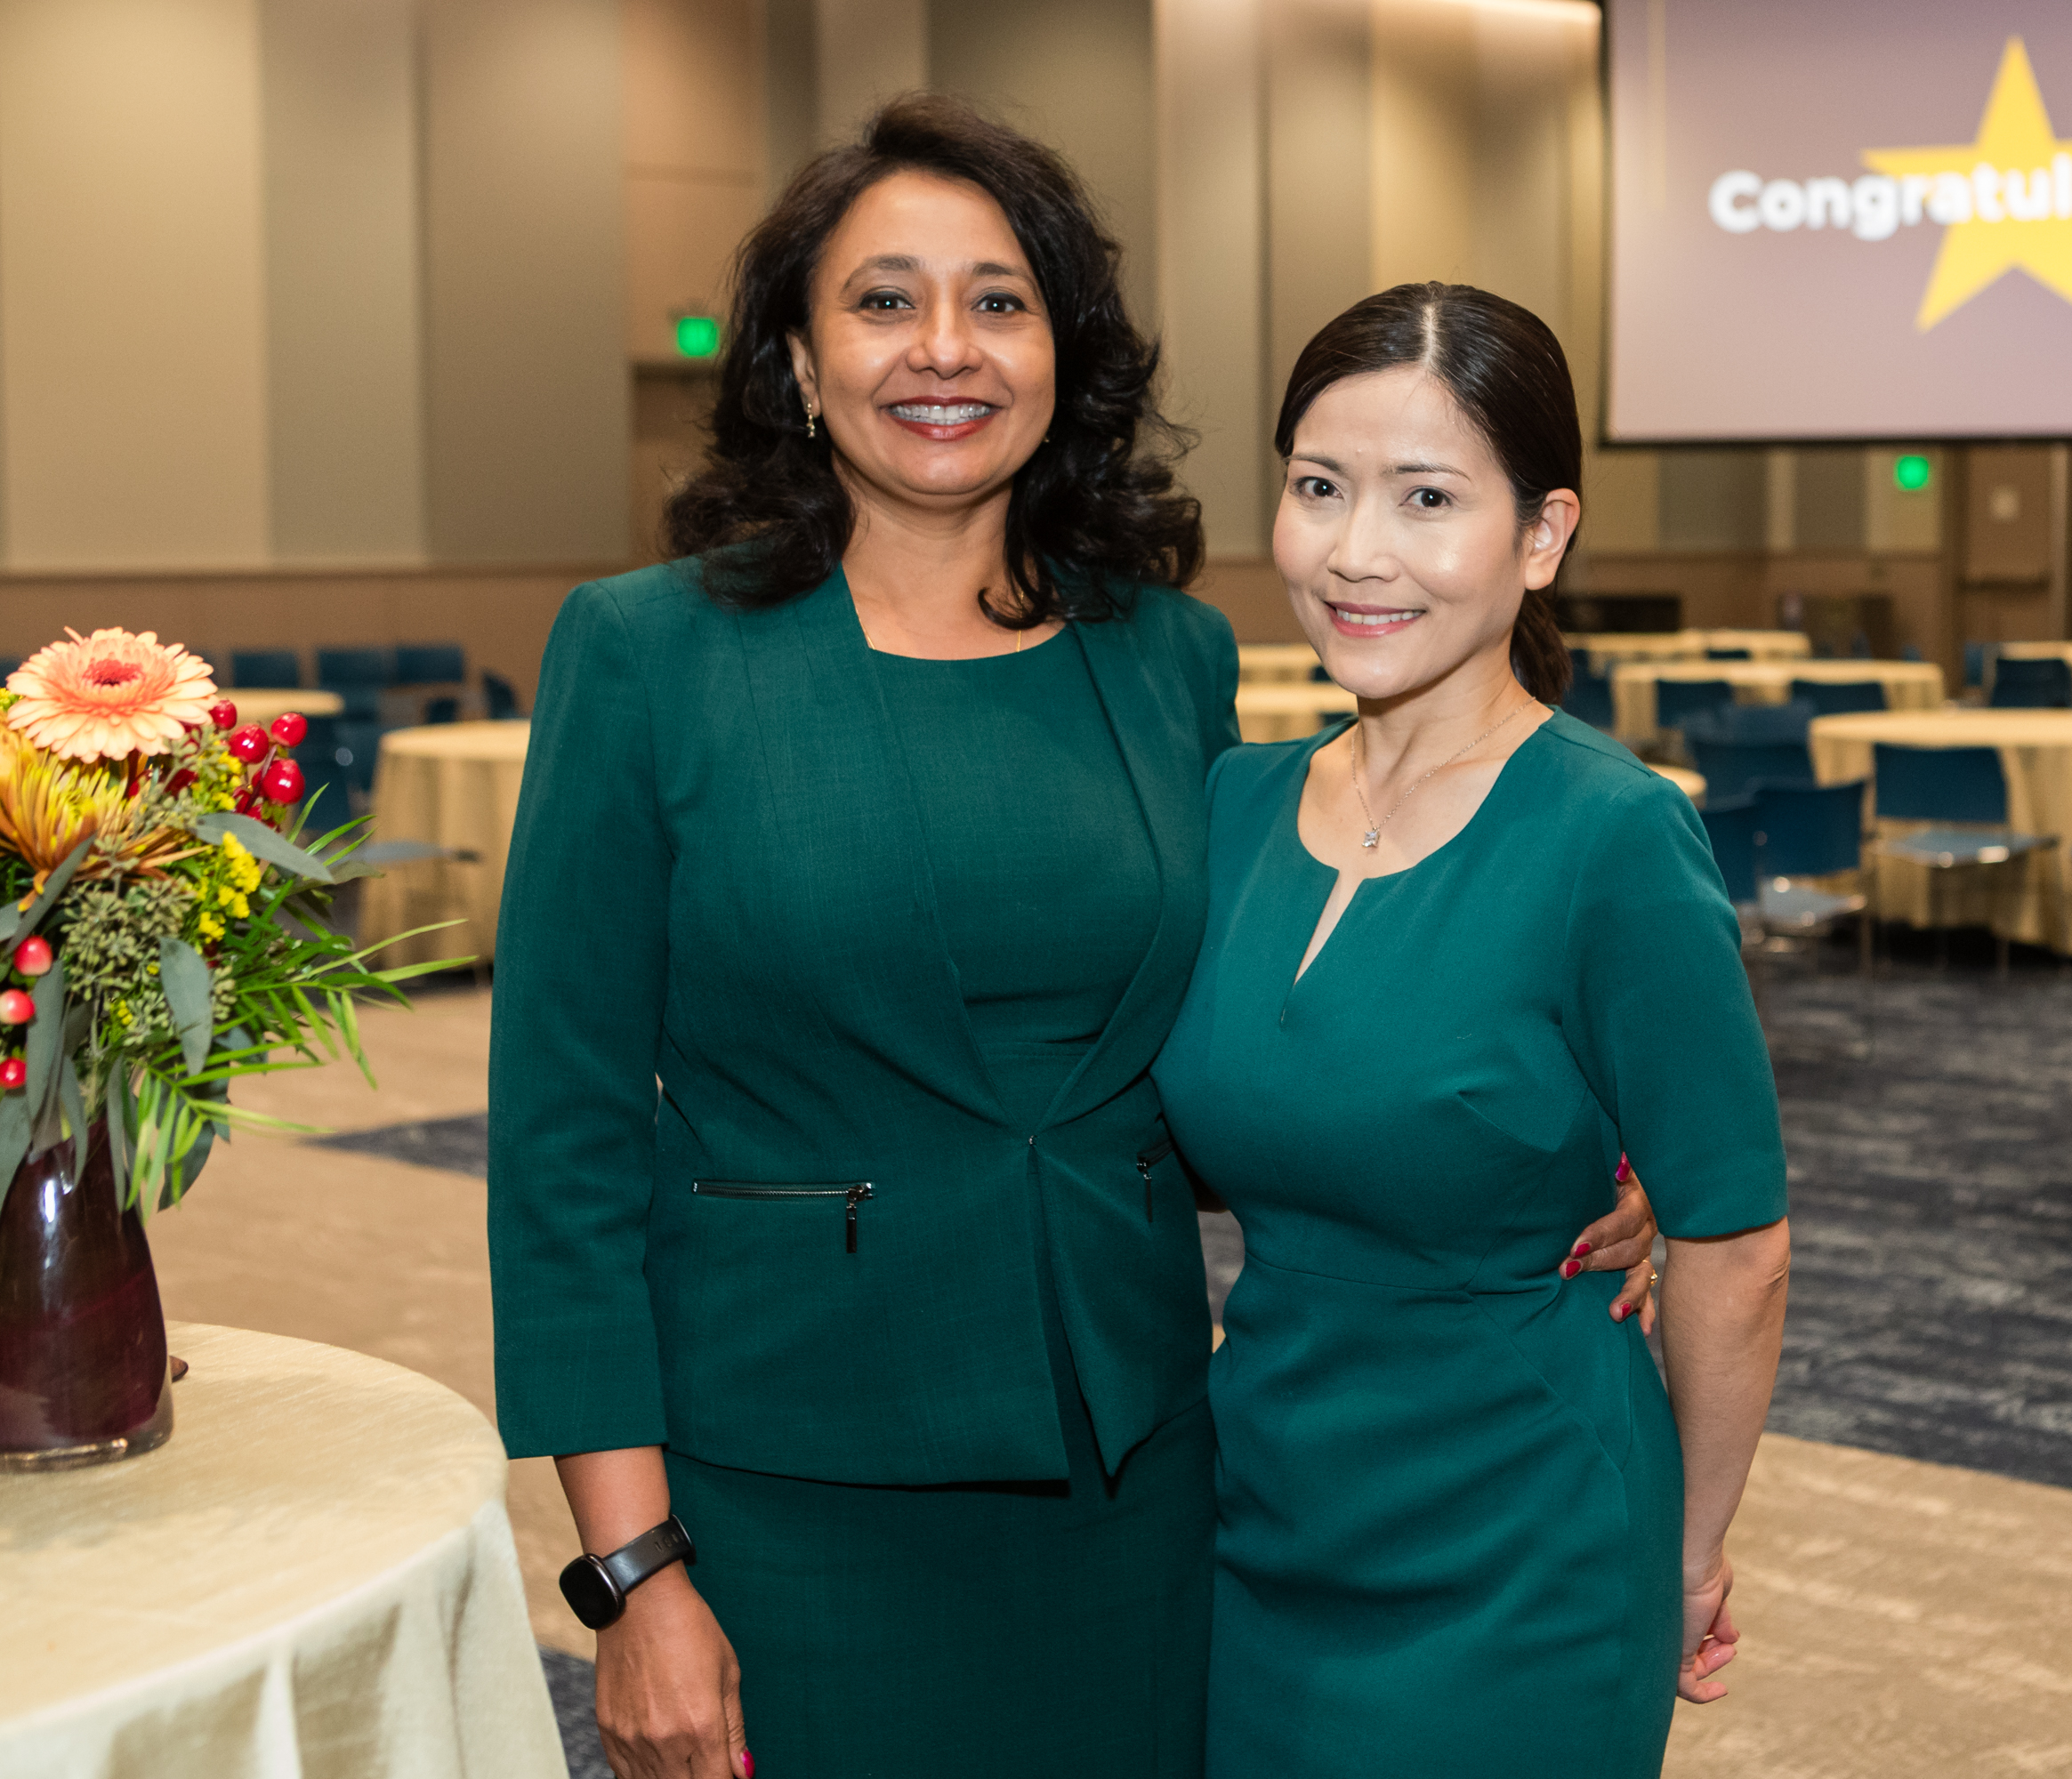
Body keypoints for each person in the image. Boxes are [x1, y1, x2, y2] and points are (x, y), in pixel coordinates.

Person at [489, 99, 1665, 1778]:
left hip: (1135, 1479)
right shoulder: (648, 656)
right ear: (800, 366)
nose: (943, 348)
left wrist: (1552, 1160)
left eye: (999, 300)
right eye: (883, 302)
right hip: (783, 1494)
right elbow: (561, 1150)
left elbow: (1227, 1046)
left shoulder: (1165, 658)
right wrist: (632, 1573)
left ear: (1062, 356)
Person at [1154, 283, 1792, 1777]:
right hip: (1265, 1502)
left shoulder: (1613, 835)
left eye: (1426, 498)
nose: (1357, 551)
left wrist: (1688, 1557)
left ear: (1543, 536)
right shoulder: (1233, 804)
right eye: (1320, 488)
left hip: (1529, 1539)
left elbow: (1736, 1241)